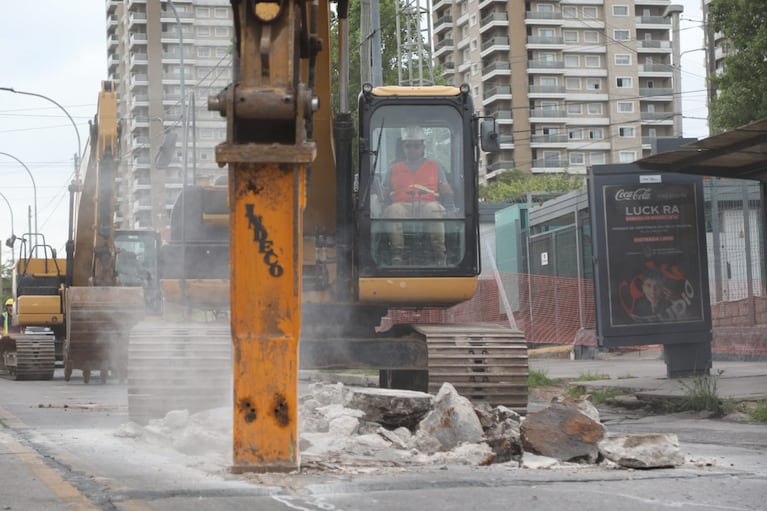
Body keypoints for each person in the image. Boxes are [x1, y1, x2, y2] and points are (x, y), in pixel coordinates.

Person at [381, 126, 455, 265]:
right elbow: (383, 192)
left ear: (423, 147)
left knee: (435, 209)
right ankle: (397, 253)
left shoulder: (435, 166)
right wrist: (381, 194)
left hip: (427, 204)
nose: (412, 149)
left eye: (416, 146)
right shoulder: (393, 168)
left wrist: (447, 190)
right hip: (402, 205)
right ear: (403, 148)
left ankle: (439, 253)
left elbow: (448, 192)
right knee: (392, 211)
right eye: (409, 146)